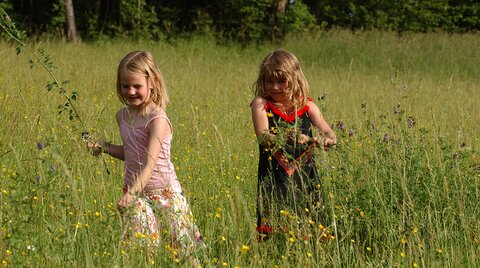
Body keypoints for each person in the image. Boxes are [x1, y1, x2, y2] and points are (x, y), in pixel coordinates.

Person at [87, 51, 203, 257]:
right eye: (125, 86)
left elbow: (149, 164)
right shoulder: (122, 116)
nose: (131, 92)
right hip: (136, 192)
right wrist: (104, 147)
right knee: (143, 249)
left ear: (152, 82)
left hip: (165, 192)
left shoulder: (157, 118)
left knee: (184, 252)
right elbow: (131, 154)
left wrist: (130, 193)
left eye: (137, 86)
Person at [250, 49, 337, 240]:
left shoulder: (308, 106)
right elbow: (263, 136)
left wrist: (324, 141)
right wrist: (286, 137)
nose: (274, 87)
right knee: (272, 223)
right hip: (274, 176)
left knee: (309, 223)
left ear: (295, 79)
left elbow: (329, 133)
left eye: (282, 81)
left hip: (305, 176)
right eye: (269, 81)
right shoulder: (261, 104)